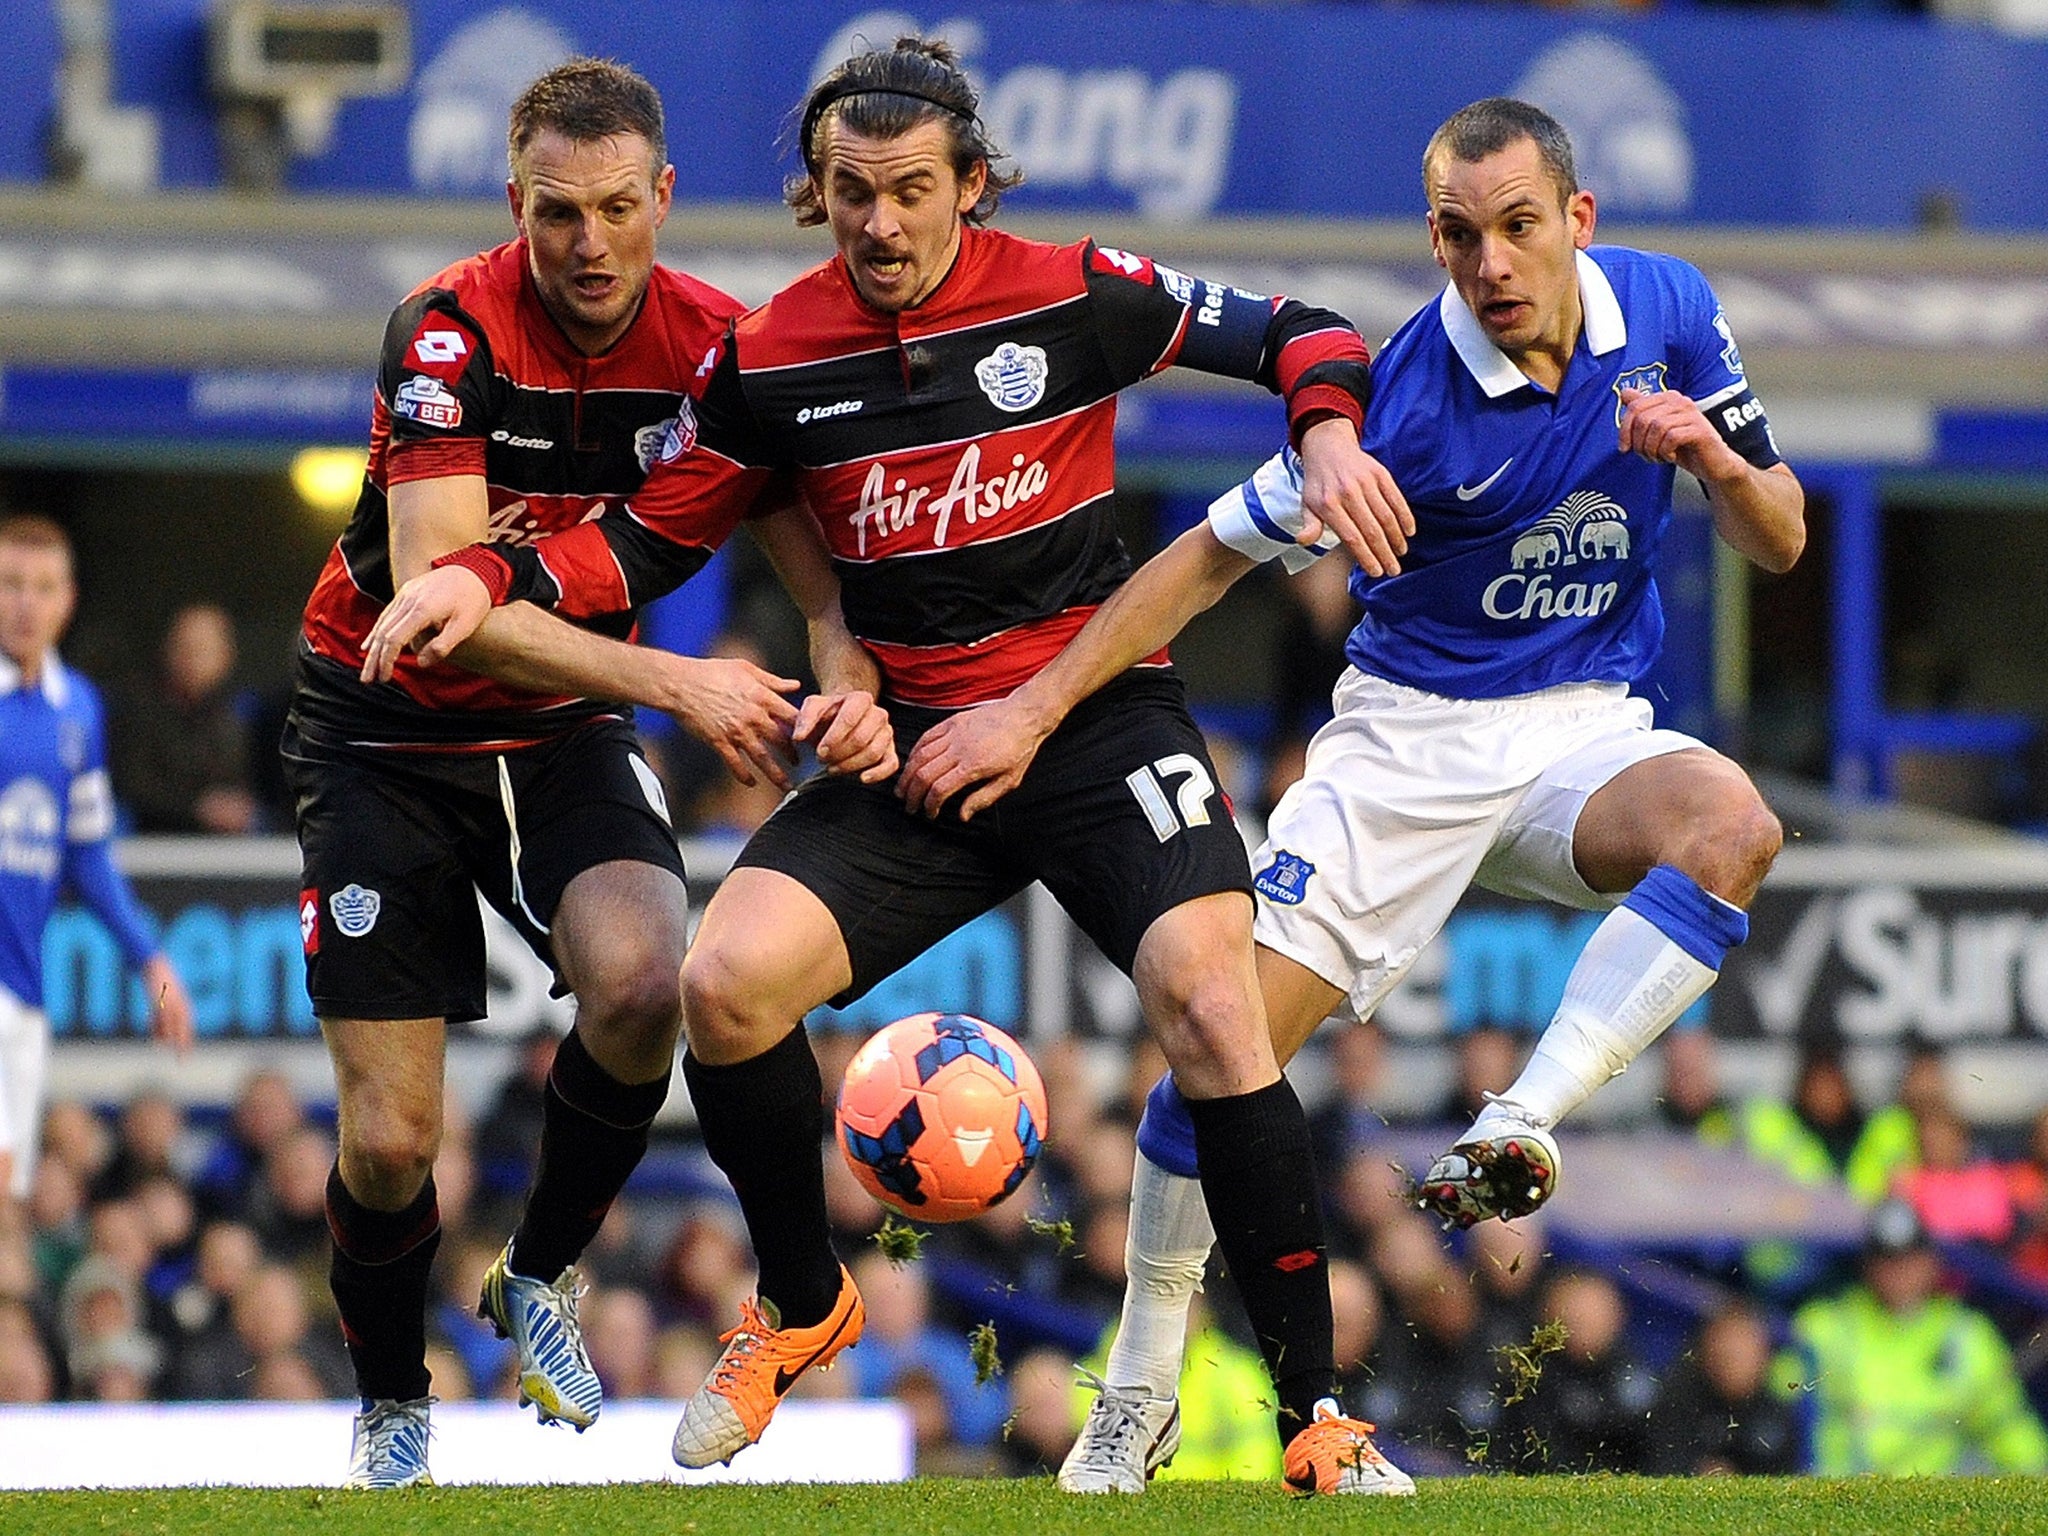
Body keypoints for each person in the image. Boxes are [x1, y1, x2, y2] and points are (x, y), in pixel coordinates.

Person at [363, 35, 1415, 1498]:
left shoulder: (1070, 291)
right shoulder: (771, 354)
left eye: (913, 190)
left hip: (1090, 720)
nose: (881, 223)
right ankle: (802, 1305)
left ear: (972, 184)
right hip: (915, 754)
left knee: (1212, 1004)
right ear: (815, 194)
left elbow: (1306, 329)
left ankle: (1317, 1418)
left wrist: (1328, 431)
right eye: (850, 193)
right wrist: (490, 581)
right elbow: (649, 538)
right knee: (722, 986)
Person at [884, 95, 1804, 1487]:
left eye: (1517, 228)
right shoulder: (1397, 407)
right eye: (1457, 235)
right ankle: (1141, 1379)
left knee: (1735, 827)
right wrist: (1032, 708)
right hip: (1405, 744)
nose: (1490, 265)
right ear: (1431, 241)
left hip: (1582, 730)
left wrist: (1714, 456)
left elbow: (1782, 536)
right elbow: (1198, 559)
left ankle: (1520, 1121)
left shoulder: (1669, 310)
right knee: (1222, 1037)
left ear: (1579, 221)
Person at [285, 57, 889, 1489]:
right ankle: (390, 1400)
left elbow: (814, 570)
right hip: (385, 727)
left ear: (664, 197)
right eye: (560, 213)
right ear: (517, 201)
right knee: (390, 1142)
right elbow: (450, 599)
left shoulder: (715, 346)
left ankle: (536, 1274)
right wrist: (679, 680)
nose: (592, 243)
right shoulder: (443, 331)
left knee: (643, 986)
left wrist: (847, 669)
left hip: (562, 735)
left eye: (621, 208)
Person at [0, 514, 194, 1239]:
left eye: (40, 587)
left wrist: (150, 958)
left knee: (9, 1211)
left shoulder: (76, 707)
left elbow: (88, 851)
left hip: (23, 989)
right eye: (10, 585)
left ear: (66, 600)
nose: (24, 603)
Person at [1785, 1197, 2048, 1474]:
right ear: (1867, 1265)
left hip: (1938, 1500)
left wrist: (2037, 1475)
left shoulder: (1965, 1335)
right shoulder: (1825, 1326)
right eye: (1887, 1259)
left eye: (1909, 1258)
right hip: (1837, 1494)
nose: (1899, 1272)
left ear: (1930, 1262)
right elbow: (1778, 1402)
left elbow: (2008, 1426)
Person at [110, 603, 259, 834]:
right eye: (183, 647)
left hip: (233, 852)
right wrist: (196, 808)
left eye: (202, 649)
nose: (191, 659)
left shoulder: (241, 716)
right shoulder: (138, 710)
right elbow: (132, 783)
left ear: (225, 656)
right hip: (155, 846)